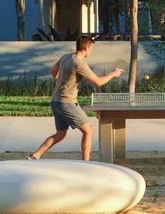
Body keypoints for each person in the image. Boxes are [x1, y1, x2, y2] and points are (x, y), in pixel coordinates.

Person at [30, 34, 121, 162]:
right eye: (91, 49)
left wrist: (63, 81)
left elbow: (53, 72)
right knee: (88, 131)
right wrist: (113, 74)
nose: (90, 51)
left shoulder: (65, 57)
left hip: (55, 101)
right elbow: (98, 82)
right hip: (67, 103)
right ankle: (85, 163)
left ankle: (35, 155)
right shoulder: (79, 63)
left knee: (60, 134)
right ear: (86, 49)